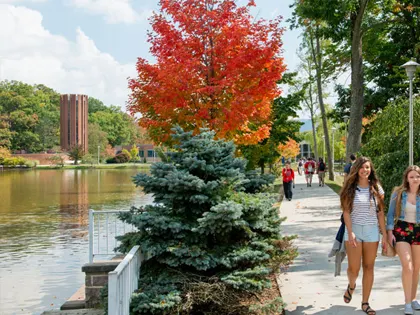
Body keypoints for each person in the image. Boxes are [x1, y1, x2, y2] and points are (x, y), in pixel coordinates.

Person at [341, 156, 386, 315]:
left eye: (367, 167)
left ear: (371, 169)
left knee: (369, 267)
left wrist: (385, 236)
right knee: (354, 269)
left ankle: (365, 302)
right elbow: (346, 212)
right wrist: (350, 231)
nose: (365, 170)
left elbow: (380, 213)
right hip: (354, 230)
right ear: (356, 169)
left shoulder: (377, 189)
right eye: (362, 167)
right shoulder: (350, 188)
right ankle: (351, 285)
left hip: (372, 231)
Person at [386, 166, 420, 315]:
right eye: (412, 176)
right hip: (401, 230)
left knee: (416, 268)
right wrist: (388, 233)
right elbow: (390, 214)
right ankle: (407, 303)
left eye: (418, 176)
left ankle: (413, 299)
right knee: (408, 266)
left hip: (418, 230)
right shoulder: (398, 193)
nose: (415, 179)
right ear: (406, 178)